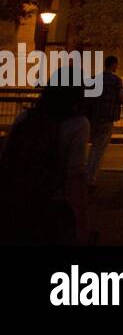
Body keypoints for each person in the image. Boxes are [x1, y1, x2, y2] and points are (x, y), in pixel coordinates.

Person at [0, 75, 90, 244]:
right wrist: (81, 224)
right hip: (53, 201)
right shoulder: (78, 124)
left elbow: (7, 154)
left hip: (19, 198)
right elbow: (75, 176)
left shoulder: (26, 117)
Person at [85, 55, 123, 189]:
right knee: (99, 149)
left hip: (93, 118)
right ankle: (90, 177)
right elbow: (120, 98)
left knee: (91, 147)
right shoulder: (116, 81)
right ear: (113, 65)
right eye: (116, 65)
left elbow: (88, 97)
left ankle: (86, 172)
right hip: (107, 118)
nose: (117, 67)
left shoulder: (94, 79)